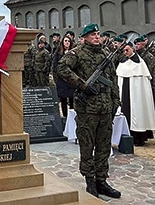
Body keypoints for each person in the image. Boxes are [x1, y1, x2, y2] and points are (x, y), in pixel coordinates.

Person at [57, 23, 121, 199]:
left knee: (103, 146)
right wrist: (82, 85)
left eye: (98, 34)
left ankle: (102, 180)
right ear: (84, 37)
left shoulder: (106, 53)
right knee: (87, 146)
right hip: (88, 109)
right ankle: (90, 181)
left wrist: (116, 100)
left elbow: (113, 78)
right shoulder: (77, 53)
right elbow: (62, 68)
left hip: (105, 107)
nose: (96, 37)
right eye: (92, 34)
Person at [116, 42, 155, 146]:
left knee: (138, 112)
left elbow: (144, 85)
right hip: (124, 93)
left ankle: (139, 137)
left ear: (132, 49)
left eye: (127, 50)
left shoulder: (140, 63)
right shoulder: (122, 62)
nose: (125, 53)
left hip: (136, 94)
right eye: (124, 50)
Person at [52, 35, 77, 119]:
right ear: (62, 42)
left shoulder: (73, 52)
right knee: (63, 99)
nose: (67, 43)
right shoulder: (58, 53)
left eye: (68, 41)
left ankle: (72, 117)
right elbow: (54, 65)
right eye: (65, 41)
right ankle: (65, 116)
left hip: (71, 79)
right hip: (61, 80)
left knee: (71, 99)